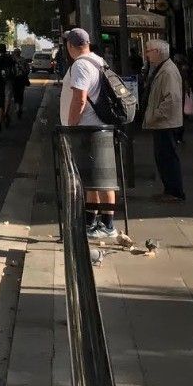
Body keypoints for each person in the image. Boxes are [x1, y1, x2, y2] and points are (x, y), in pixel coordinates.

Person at [61, 27, 119, 240]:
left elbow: (80, 99)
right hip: (101, 126)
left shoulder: (81, 65)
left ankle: (105, 224)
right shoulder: (98, 60)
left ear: (70, 46)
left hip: (88, 128)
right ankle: (95, 221)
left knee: (96, 178)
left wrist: (71, 125)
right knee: (98, 178)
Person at [141, 39, 186, 203]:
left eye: (148, 51)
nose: (146, 54)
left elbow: (172, 99)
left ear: (158, 52)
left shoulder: (167, 71)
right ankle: (170, 190)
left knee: (167, 157)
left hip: (165, 123)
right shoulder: (162, 69)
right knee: (163, 157)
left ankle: (175, 192)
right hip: (162, 122)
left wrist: (155, 115)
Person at [9, 47, 28, 123]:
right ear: (20, 53)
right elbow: (27, 69)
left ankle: (17, 107)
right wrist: (24, 73)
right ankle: (20, 107)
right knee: (21, 93)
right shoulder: (23, 60)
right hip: (22, 79)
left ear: (14, 53)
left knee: (15, 93)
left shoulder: (11, 60)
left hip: (14, 79)